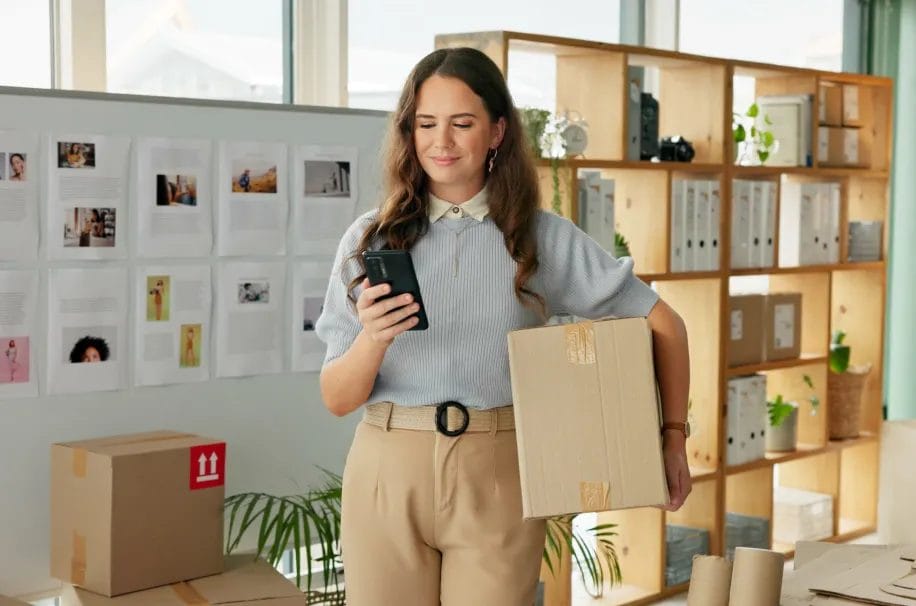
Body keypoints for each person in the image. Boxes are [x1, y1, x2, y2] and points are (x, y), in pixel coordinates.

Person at [314, 47, 692, 606]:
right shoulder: (368, 239)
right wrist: (373, 339)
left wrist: (672, 437)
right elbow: (336, 398)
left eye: (461, 123)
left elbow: (665, 324)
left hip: (502, 471)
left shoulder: (539, 236)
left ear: (496, 132)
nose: (440, 141)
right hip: (387, 469)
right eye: (425, 124)